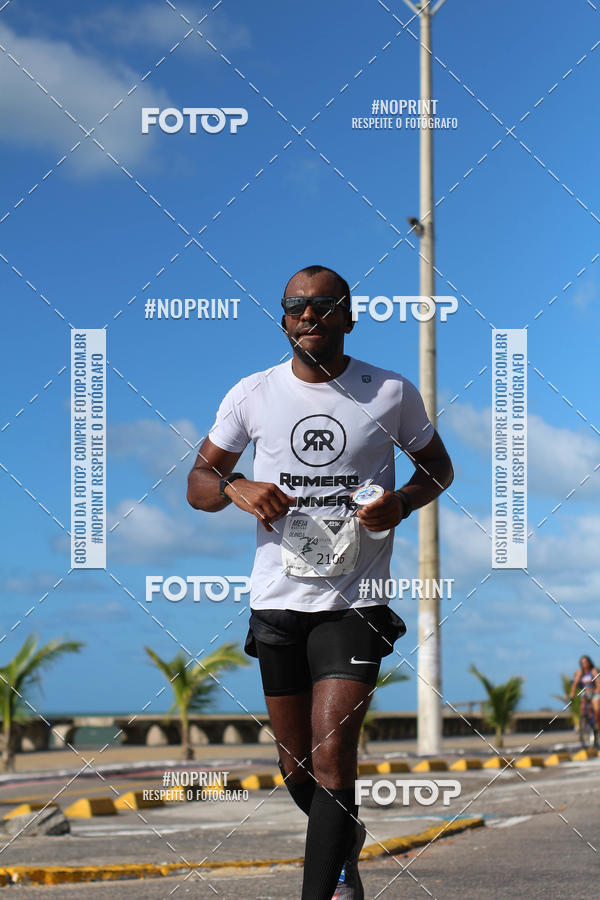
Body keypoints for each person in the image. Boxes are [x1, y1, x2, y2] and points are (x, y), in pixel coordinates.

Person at [187, 265, 454, 899]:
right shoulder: (253, 394)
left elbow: (438, 469)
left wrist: (404, 501)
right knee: (298, 771)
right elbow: (198, 485)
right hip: (278, 601)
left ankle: (327, 885)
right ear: (283, 319)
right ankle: (344, 844)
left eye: (323, 306)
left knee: (333, 761)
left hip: (354, 603)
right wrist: (237, 486)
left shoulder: (389, 392)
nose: (308, 316)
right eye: (295, 307)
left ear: (348, 317)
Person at [569, 655, 600, 742]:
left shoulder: (593, 671)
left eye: (586, 662)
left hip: (594, 692)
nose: (584, 664)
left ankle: (597, 726)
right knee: (582, 707)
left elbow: (598, 682)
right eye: (583, 663)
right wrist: (572, 692)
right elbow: (575, 683)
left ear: (589, 662)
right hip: (585, 693)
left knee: (597, 709)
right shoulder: (580, 672)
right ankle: (582, 728)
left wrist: (597, 689)